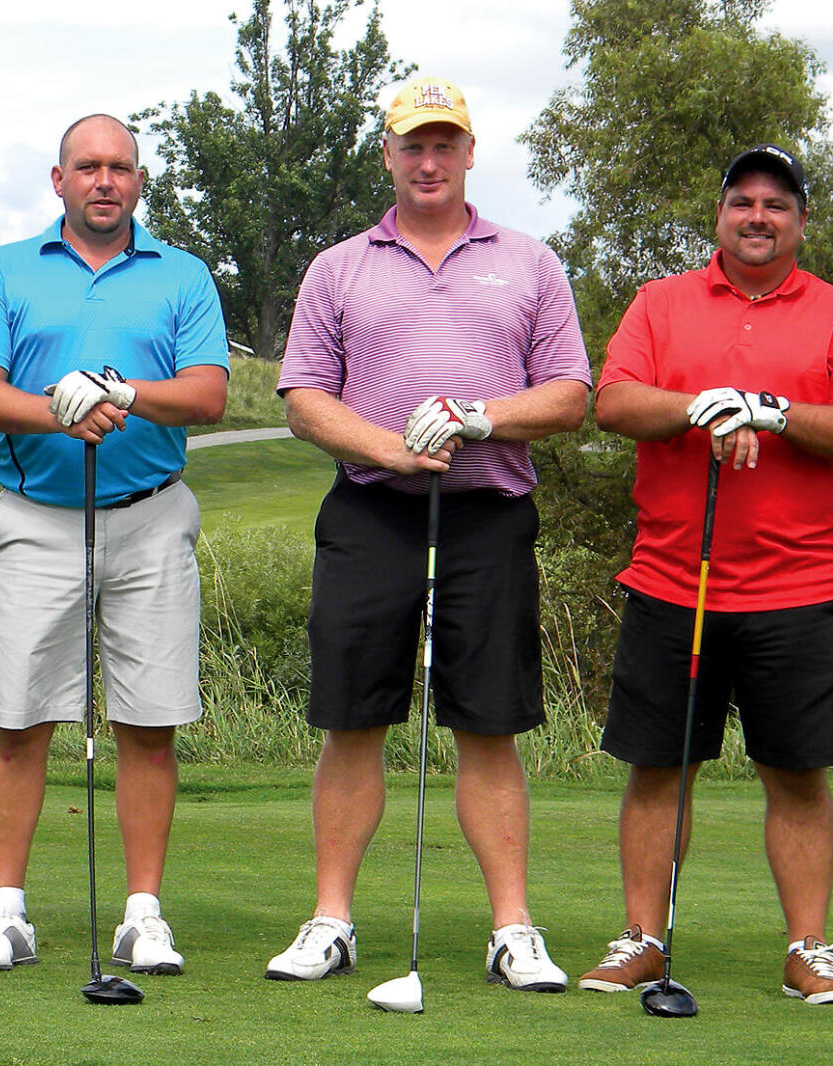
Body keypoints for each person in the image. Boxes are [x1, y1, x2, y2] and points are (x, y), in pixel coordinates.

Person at [265, 75, 591, 993]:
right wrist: (391, 448)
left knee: (488, 725)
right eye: (413, 144)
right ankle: (332, 920)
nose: (429, 159)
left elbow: (570, 394)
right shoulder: (339, 267)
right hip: (372, 512)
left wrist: (480, 418)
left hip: (487, 515)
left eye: (444, 143)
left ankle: (513, 929)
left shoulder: (528, 262)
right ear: (389, 154)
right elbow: (302, 399)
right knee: (353, 719)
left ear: (470, 152)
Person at [575, 144, 833, 1006]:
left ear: (799, 221)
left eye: (777, 204)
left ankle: (809, 949)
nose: (759, 216)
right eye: (743, 202)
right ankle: (643, 937)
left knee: (795, 773)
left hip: (800, 587)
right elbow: (613, 401)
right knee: (658, 767)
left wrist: (772, 411)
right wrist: (702, 404)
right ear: (720, 214)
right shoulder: (661, 303)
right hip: (673, 581)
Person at [0, 114, 228, 977]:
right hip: (37, 515)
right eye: (88, 167)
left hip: (149, 513)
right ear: (59, 179)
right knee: (20, 716)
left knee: (149, 722)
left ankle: (142, 914)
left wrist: (119, 392)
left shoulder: (182, 275)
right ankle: (5, 913)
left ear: (139, 182)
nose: (104, 181)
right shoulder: (6, 270)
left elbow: (208, 395)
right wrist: (57, 409)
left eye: (120, 168)